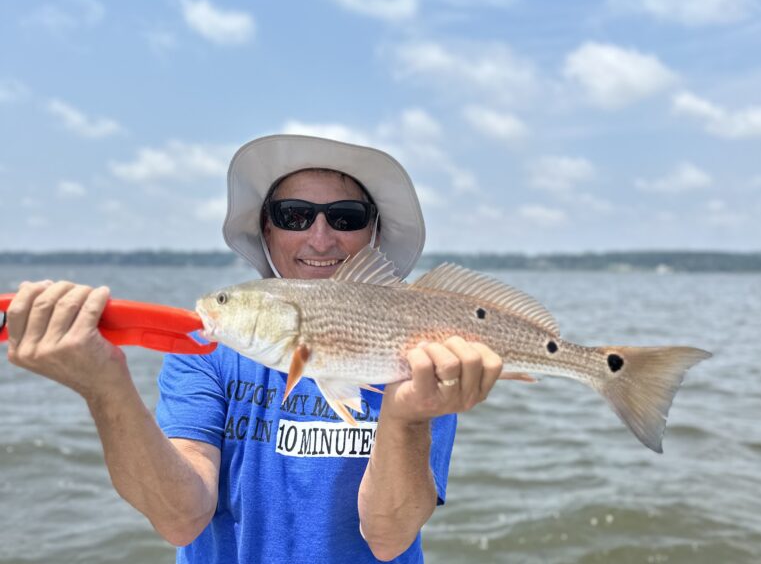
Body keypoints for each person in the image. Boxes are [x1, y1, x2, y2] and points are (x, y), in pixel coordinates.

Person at [5, 134, 504, 563]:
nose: (321, 237)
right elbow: (181, 518)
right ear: (266, 228)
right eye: (294, 214)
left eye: (346, 217)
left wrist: (407, 417)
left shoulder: (422, 347)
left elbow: (389, 536)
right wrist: (104, 387)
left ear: (373, 232)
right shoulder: (206, 346)